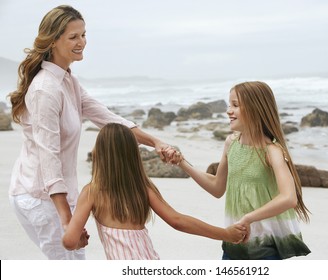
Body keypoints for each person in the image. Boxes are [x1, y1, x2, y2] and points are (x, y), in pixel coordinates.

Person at [7, 5, 170, 260]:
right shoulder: (45, 90)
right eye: (73, 37)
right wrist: (66, 220)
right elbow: (48, 159)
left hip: (60, 194)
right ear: (53, 41)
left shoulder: (68, 81)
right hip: (41, 197)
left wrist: (155, 142)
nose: (81, 42)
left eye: (83, 35)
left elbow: (106, 117)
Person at [62, 123, 247, 259]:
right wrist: (226, 234)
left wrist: (80, 240)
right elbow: (178, 221)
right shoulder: (142, 187)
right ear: (132, 154)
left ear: (99, 154)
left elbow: (69, 241)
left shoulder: (91, 192)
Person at [170, 81, 311, 260]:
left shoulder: (272, 151)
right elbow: (216, 187)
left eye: (235, 105)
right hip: (234, 245)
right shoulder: (231, 143)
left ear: (255, 109)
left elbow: (289, 198)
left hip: (265, 249)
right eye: (229, 105)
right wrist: (182, 163)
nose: (229, 111)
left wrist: (248, 218)